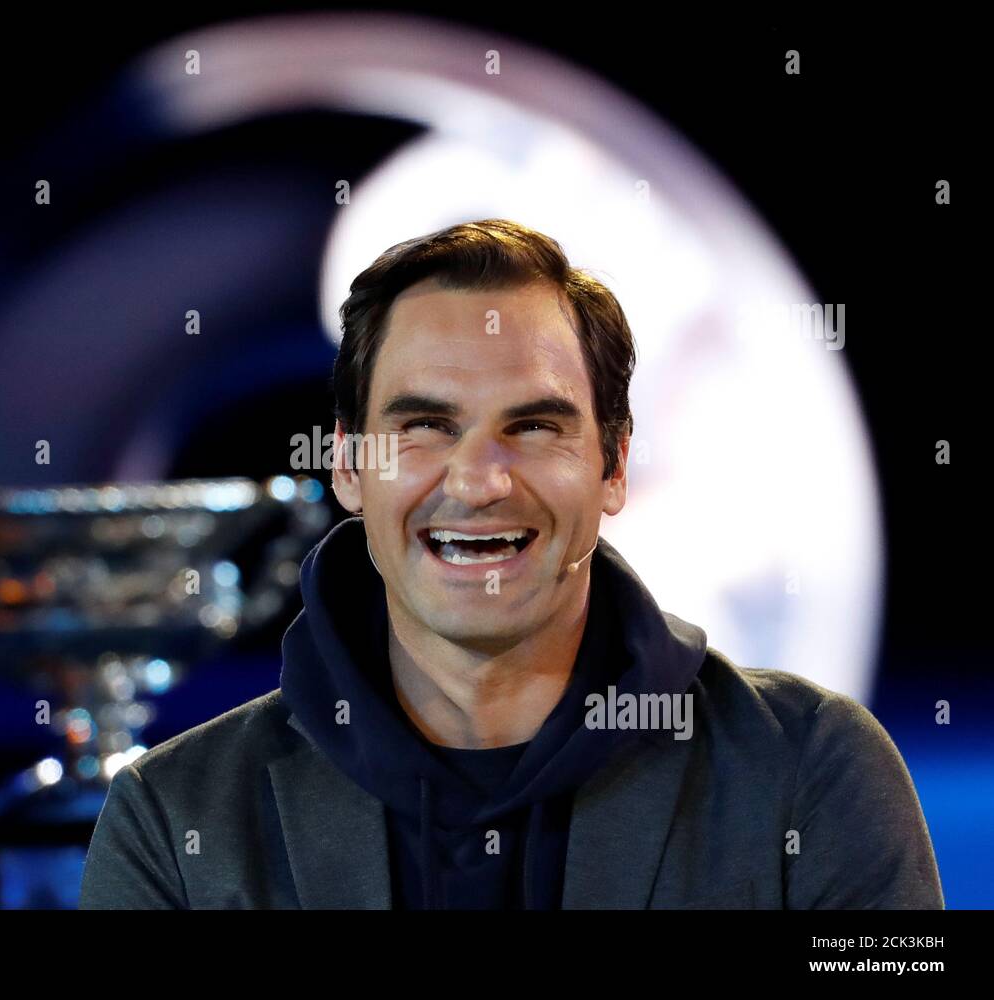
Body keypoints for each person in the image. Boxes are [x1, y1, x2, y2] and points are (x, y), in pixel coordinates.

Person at [79, 219, 943, 909]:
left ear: (612, 467)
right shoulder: (173, 822)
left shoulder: (813, 772)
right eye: (424, 426)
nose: (480, 481)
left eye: (534, 427)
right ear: (347, 466)